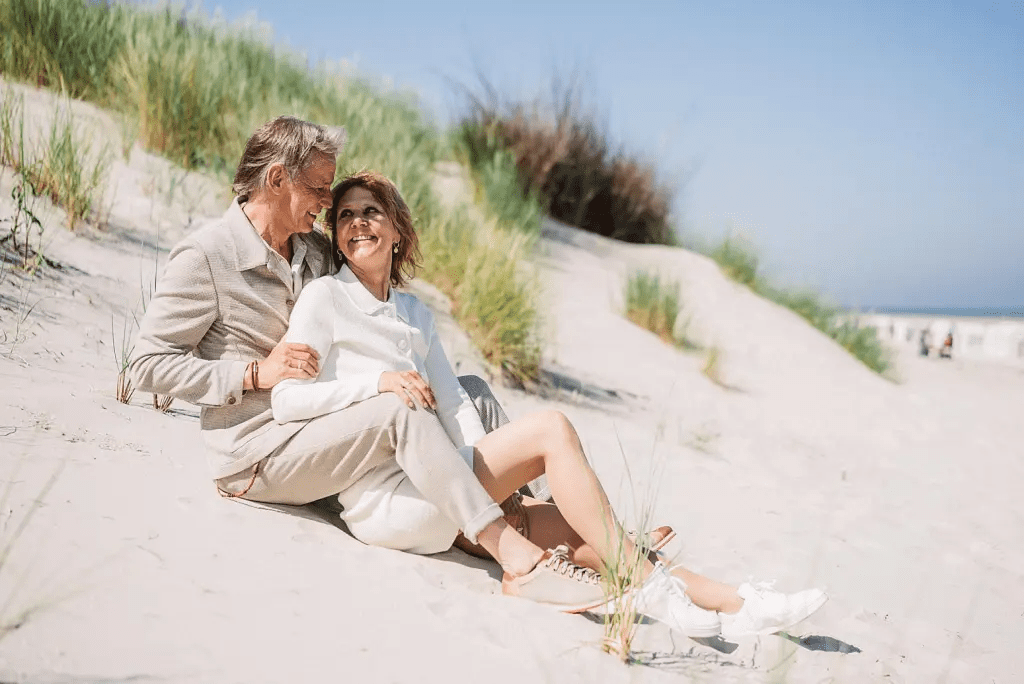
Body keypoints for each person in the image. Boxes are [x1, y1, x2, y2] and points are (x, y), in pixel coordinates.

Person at [268, 169, 829, 639]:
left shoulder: (416, 315)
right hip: (386, 502)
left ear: (397, 230)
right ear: (336, 238)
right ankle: (651, 587)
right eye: (344, 216)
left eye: (370, 212)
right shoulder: (326, 299)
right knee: (551, 429)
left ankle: (735, 607)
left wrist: (496, 481)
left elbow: (458, 407)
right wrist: (379, 384)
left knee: (584, 532)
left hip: (444, 487)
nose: (356, 223)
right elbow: (289, 400)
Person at [130, 116, 627, 617]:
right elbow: (145, 365)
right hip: (257, 453)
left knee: (469, 389)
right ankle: (517, 556)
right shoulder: (206, 255)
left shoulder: (314, 251)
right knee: (398, 407)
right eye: (319, 188)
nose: (327, 205)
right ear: (277, 179)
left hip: (326, 432)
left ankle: (571, 518)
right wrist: (254, 374)